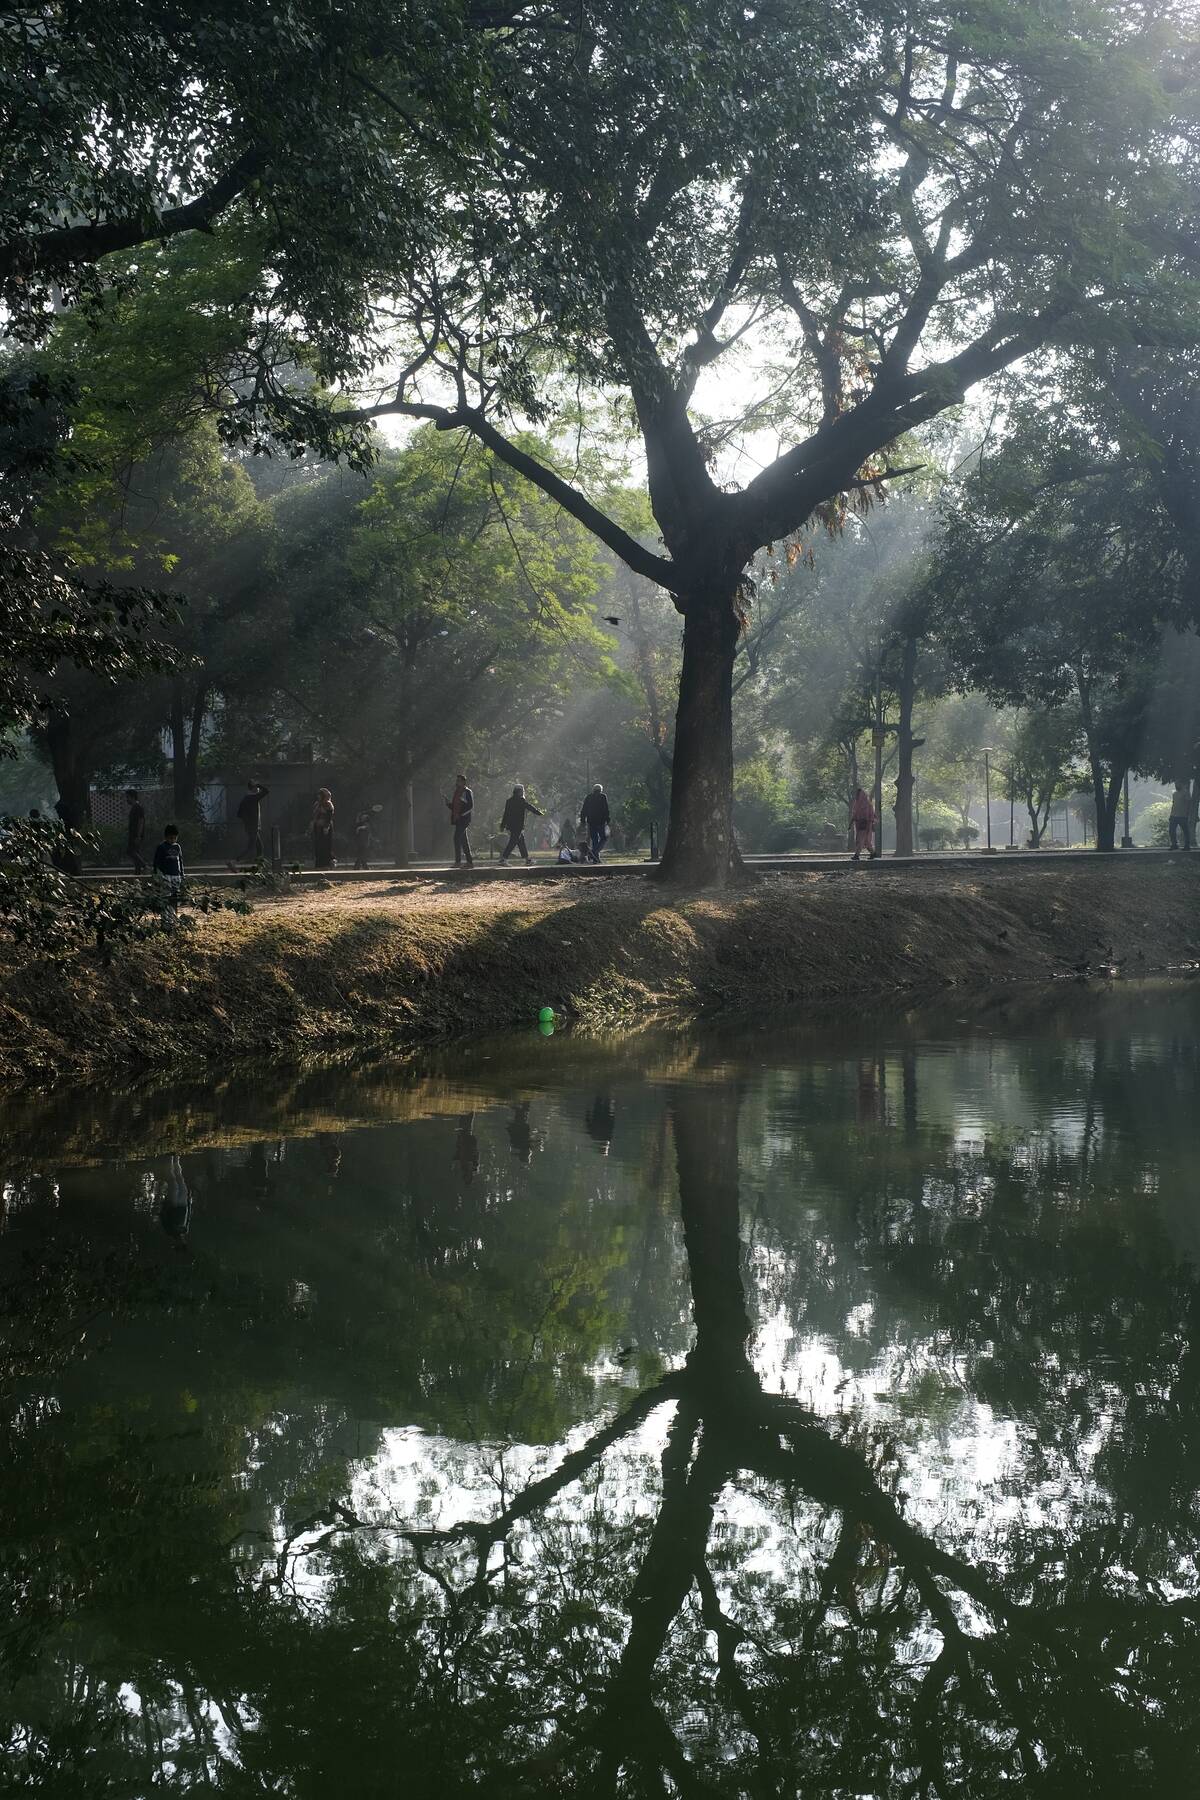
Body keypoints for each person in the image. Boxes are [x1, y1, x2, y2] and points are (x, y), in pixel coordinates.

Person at [499, 784, 543, 864]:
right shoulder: (521, 800)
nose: (523, 793)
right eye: (522, 791)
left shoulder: (509, 801)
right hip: (518, 826)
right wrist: (539, 813)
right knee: (512, 842)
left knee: (521, 842)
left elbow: (506, 814)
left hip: (510, 826)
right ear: (519, 792)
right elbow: (530, 807)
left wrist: (502, 825)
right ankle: (503, 859)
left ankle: (527, 860)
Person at [153, 822, 185, 921]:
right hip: (165, 876)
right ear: (166, 837)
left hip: (176, 876)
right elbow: (156, 863)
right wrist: (158, 876)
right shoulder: (161, 847)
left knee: (174, 898)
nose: (172, 840)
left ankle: (173, 917)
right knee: (165, 897)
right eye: (170, 838)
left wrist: (182, 874)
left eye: (174, 838)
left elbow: (180, 861)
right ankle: (165, 918)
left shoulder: (177, 847)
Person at [236, 780, 269, 860]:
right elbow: (266, 791)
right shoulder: (253, 798)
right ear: (253, 788)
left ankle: (259, 864)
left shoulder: (245, 799)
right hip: (253, 827)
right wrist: (259, 784)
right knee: (252, 847)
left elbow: (239, 814)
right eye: (256, 788)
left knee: (259, 846)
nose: (258, 789)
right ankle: (234, 861)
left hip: (250, 827)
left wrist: (247, 821)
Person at [446, 773, 474, 867]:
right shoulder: (457, 792)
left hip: (464, 819)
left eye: (458, 780)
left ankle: (458, 862)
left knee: (456, 838)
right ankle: (469, 862)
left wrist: (461, 815)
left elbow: (470, 806)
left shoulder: (467, 792)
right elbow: (455, 807)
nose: (456, 782)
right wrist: (448, 804)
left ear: (463, 782)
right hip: (458, 819)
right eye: (456, 780)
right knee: (463, 840)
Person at [579, 783, 611, 862]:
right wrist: (608, 820)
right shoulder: (603, 797)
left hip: (591, 821)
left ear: (593, 790)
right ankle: (595, 853)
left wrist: (583, 820)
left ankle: (595, 858)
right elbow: (606, 809)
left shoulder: (588, 797)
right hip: (600, 821)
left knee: (594, 840)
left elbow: (584, 809)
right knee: (603, 838)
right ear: (600, 790)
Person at [851, 786, 876, 862]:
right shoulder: (857, 804)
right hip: (859, 825)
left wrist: (870, 823)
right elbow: (854, 815)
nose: (857, 796)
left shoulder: (868, 804)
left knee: (861, 840)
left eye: (858, 794)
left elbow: (871, 815)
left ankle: (856, 855)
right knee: (866, 842)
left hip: (866, 825)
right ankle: (873, 853)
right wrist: (850, 824)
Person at [311, 788, 335, 867]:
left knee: (326, 845)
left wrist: (326, 827)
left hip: (325, 827)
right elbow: (314, 816)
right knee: (318, 845)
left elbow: (329, 816)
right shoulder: (317, 804)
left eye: (320, 795)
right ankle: (319, 863)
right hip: (317, 827)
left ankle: (326, 863)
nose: (318, 797)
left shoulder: (328, 804)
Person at [124, 788, 146, 873]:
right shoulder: (134, 807)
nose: (127, 799)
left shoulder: (138, 807)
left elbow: (141, 821)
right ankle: (137, 871)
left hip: (136, 835)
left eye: (127, 797)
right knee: (136, 852)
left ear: (132, 797)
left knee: (130, 851)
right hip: (133, 834)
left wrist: (139, 835)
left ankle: (144, 866)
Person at [1168, 783, 1192, 850]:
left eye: (1178, 784)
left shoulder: (1186, 793)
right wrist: (1171, 814)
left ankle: (1187, 845)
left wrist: (1187, 813)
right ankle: (1174, 844)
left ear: (1181, 785)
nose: (1176, 785)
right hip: (1174, 815)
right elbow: (1173, 804)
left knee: (1185, 831)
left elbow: (1189, 804)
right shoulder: (1174, 794)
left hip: (1183, 815)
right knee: (1171, 830)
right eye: (1176, 784)